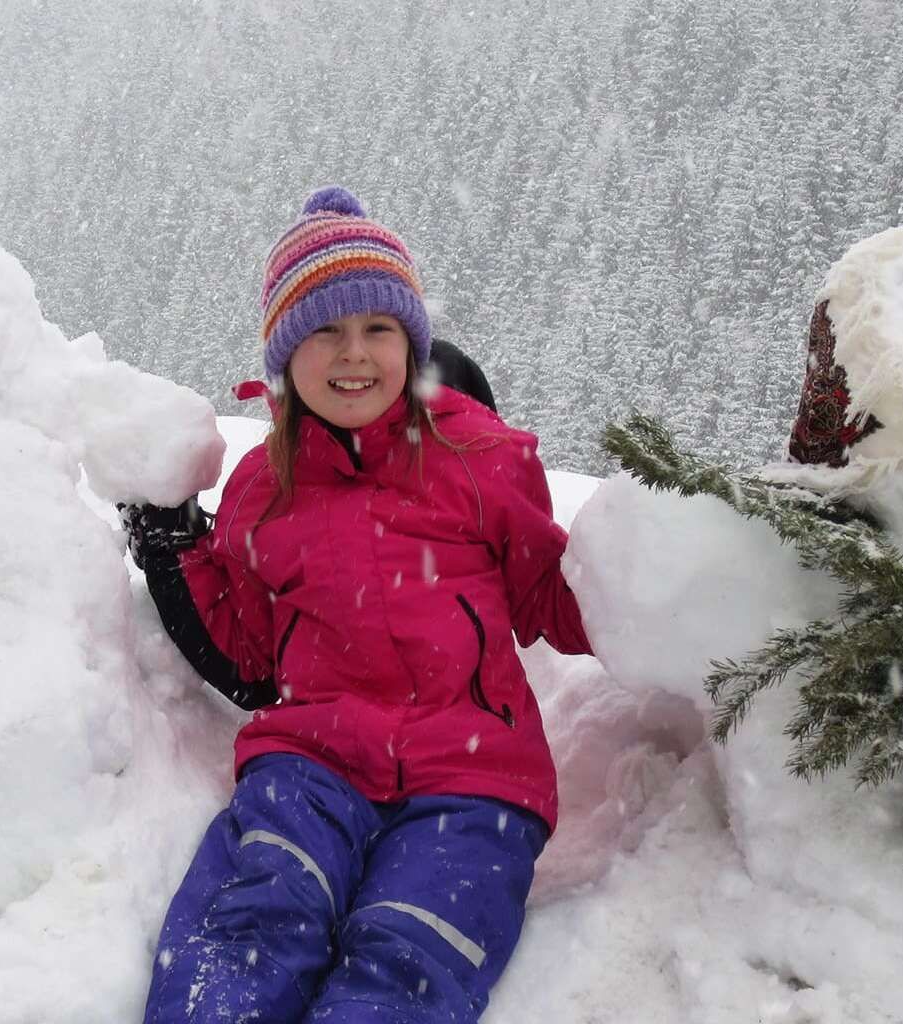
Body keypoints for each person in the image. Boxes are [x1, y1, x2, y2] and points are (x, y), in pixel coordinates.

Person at [124, 185, 589, 1023]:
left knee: (412, 952)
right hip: (311, 761)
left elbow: (552, 596)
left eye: (378, 329)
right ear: (286, 355)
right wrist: (172, 544)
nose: (355, 353)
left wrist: (649, 568)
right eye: (326, 330)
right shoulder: (263, 486)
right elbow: (249, 650)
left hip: (476, 778)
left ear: (412, 344)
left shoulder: (482, 457)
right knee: (256, 917)